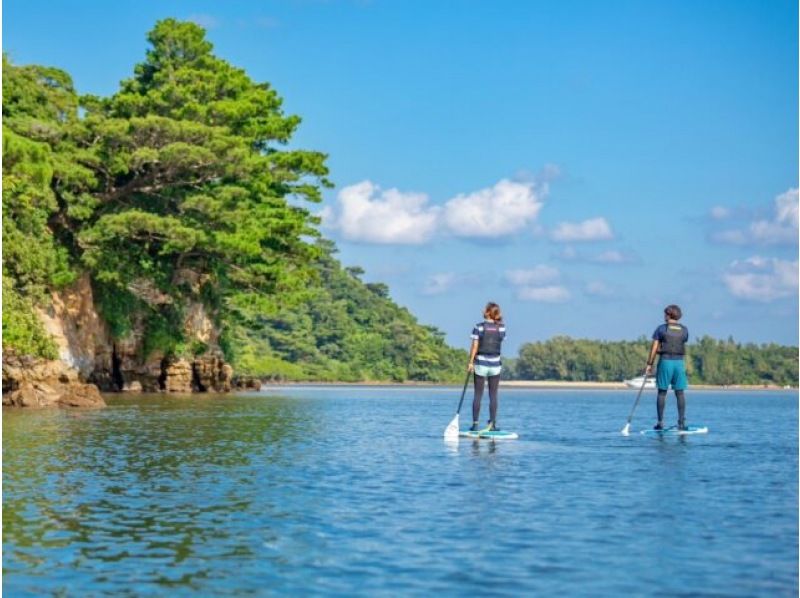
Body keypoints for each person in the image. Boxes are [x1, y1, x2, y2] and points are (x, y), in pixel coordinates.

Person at [645, 304, 689, 430]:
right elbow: (683, 341)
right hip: (679, 363)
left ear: (669, 315)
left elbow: (654, 347)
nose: (664, 316)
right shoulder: (685, 330)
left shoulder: (661, 329)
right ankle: (681, 423)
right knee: (680, 393)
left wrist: (649, 364)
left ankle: (660, 423)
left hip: (665, 362)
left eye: (665, 313)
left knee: (662, 392)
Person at [467, 302, 506, 432]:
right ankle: (493, 424)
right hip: (495, 365)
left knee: (478, 395)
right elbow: (500, 341)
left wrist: (470, 362)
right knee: (493, 395)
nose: (483, 310)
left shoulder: (478, 327)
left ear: (488, 312)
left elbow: (475, 346)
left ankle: (475, 424)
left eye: (485, 309)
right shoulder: (501, 328)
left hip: (481, 364)